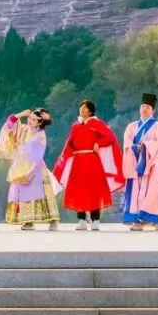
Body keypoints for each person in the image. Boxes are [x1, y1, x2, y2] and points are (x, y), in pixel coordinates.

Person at [53, 99, 124, 231]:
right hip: (78, 161)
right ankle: (81, 220)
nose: (82, 109)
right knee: (78, 189)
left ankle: (95, 219)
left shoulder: (97, 123)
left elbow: (109, 138)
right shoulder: (76, 125)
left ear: (90, 111)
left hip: (92, 160)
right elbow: (70, 143)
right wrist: (64, 158)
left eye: (85, 108)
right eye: (81, 107)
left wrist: (98, 143)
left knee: (94, 189)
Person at [0, 108, 60, 231]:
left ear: (40, 122)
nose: (30, 120)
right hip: (20, 166)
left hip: (35, 167)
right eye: (30, 118)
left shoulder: (40, 135)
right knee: (22, 194)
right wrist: (21, 114)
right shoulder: (23, 129)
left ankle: (53, 220)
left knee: (39, 193)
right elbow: (9, 124)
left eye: (34, 119)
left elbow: (35, 152)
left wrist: (18, 145)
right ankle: (28, 221)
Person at [122, 93, 158, 231]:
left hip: (152, 162)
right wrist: (136, 147)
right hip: (136, 162)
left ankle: (156, 221)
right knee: (136, 191)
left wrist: (146, 146)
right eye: (143, 106)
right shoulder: (132, 126)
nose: (144, 109)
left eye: (148, 107)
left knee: (153, 191)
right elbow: (127, 143)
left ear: (153, 110)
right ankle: (137, 221)